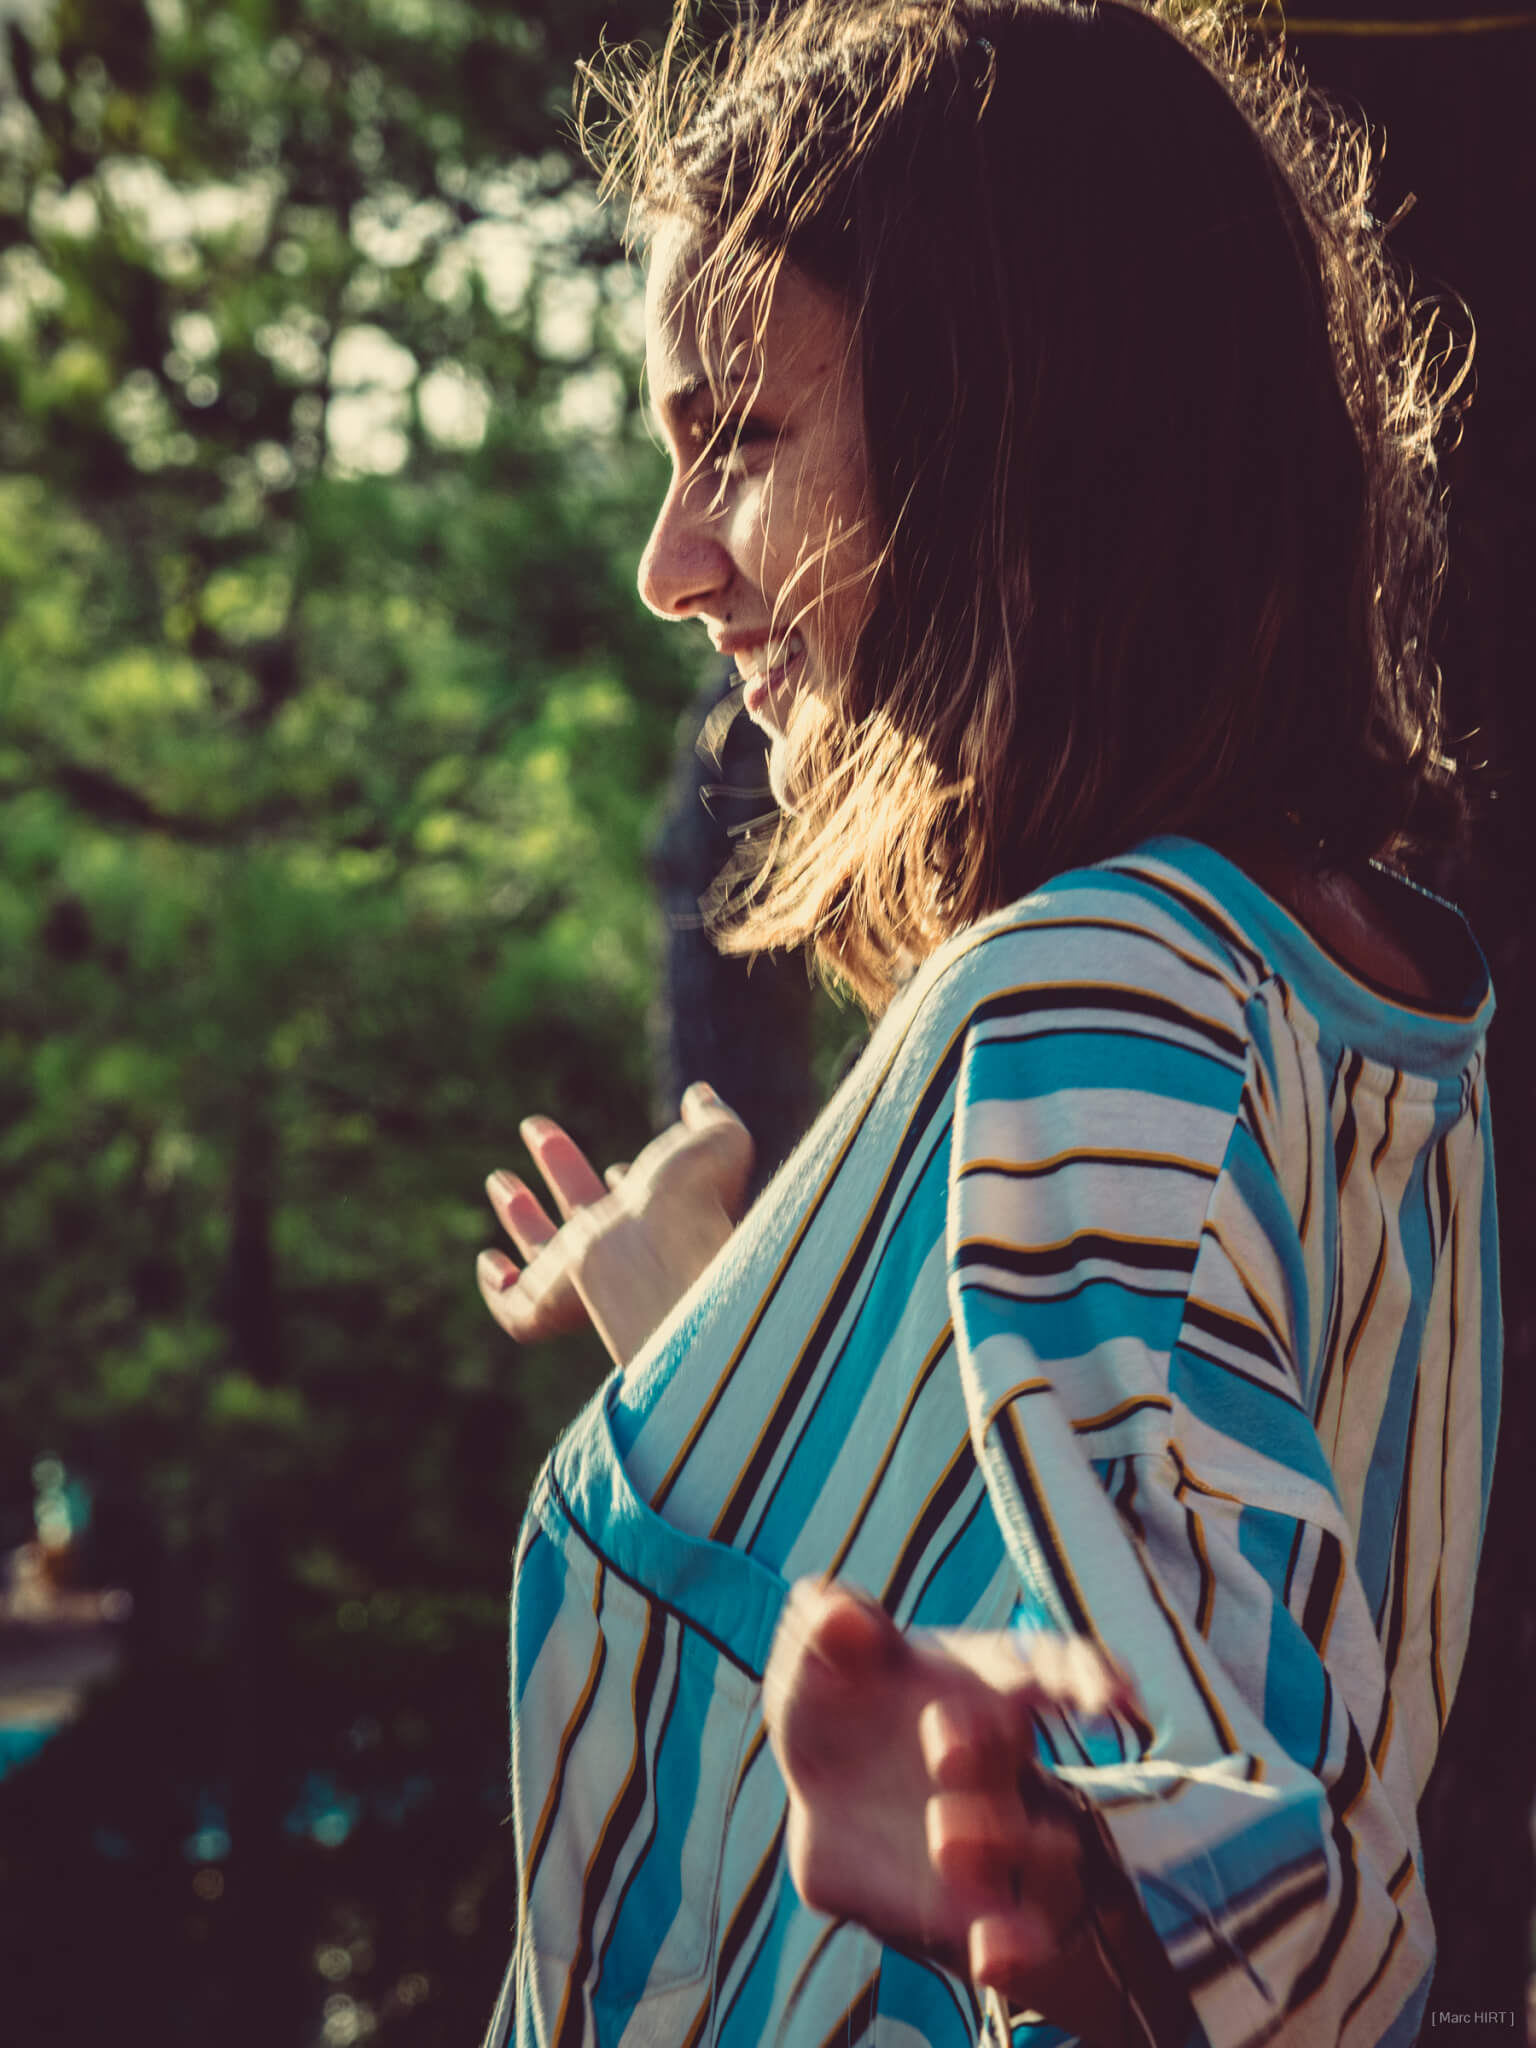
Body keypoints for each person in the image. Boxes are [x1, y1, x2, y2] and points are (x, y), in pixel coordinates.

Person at [475, 3, 1499, 2044]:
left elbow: (1208, 1821)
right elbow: (1110, 1575)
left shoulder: (1084, 996)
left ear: (1015, 424)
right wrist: (707, 1327)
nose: (673, 561)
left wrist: (1079, 1883)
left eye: (737, 439)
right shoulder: (1346, 1004)